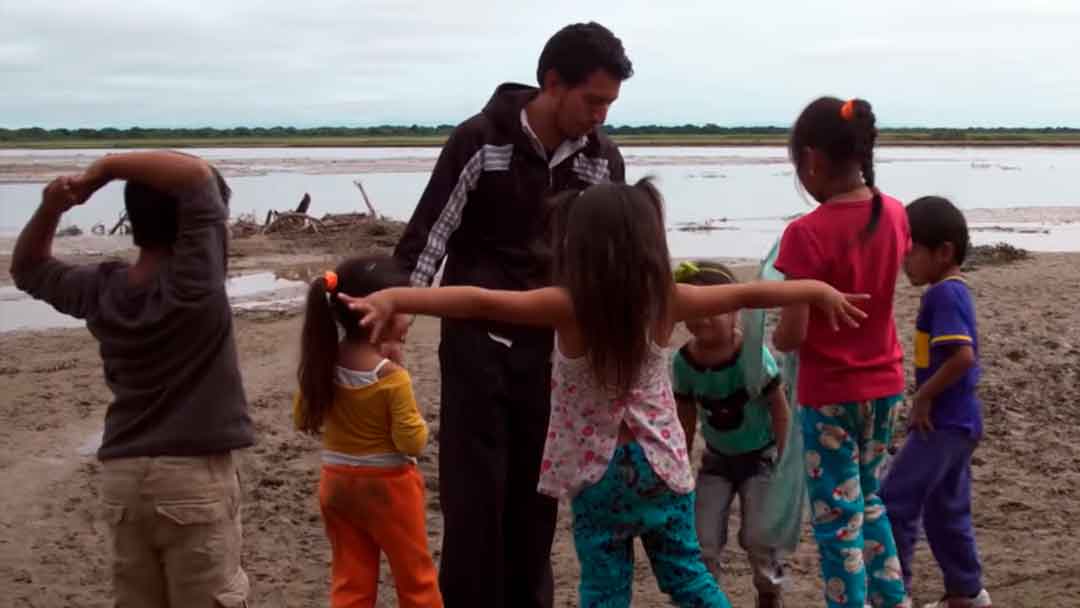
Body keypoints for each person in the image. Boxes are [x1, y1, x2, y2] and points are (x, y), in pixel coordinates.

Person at [345, 179, 868, 608]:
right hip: (661, 465)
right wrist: (815, 290)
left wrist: (397, 294)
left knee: (604, 590)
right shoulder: (667, 300)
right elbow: (754, 291)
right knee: (688, 578)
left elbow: (481, 302)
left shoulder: (568, 305)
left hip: (596, 471)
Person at [392, 21, 633, 608]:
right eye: (593, 100)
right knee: (474, 504)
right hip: (475, 345)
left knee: (537, 500)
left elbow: (613, 257)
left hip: (554, 352)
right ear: (552, 83)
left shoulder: (602, 160)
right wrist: (395, 311)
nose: (601, 115)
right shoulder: (481, 139)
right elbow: (431, 234)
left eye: (609, 104)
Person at [10, 151, 253, 607]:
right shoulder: (194, 287)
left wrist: (51, 207)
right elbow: (197, 178)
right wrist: (104, 167)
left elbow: (27, 269)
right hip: (192, 478)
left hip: (123, 480)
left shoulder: (104, 289)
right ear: (198, 227)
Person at [772, 97, 910, 608]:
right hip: (886, 385)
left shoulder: (805, 234)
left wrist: (774, 338)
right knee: (870, 502)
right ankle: (893, 599)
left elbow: (792, 333)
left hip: (830, 393)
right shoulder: (895, 214)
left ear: (812, 160)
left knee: (836, 520)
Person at [293, 256, 442, 608]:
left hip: (336, 483)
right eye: (405, 308)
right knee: (415, 578)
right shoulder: (391, 377)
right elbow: (412, 441)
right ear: (381, 313)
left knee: (351, 578)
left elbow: (302, 418)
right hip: (389, 487)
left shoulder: (322, 364)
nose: (410, 318)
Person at [881, 197, 992, 608]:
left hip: (943, 423)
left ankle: (894, 593)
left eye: (910, 251)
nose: (903, 262)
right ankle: (966, 591)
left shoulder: (943, 295)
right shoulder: (949, 292)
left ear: (943, 251)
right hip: (960, 422)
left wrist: (924, 398)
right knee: (946, 510)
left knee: (895, 498)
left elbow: (963, 356)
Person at [672, 260, 792, 608]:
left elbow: (778, 406)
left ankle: (769, 592)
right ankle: (706, 596)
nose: (703, 319)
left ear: (734, 312)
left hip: (761, 459)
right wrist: (679, 463)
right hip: (717, 460)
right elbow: (686, 415)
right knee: (703, 539)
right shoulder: (683, 363)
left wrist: (783, 457)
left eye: (713, 310)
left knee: (759, 537)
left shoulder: (752, 358)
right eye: (694, 310)